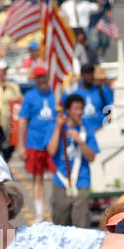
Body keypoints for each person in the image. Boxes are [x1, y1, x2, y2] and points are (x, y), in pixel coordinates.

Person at [47, 92, 97, 228]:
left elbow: (91, 157)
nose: (79, 112)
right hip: (61, 180)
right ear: (68, 110)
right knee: (60, 223)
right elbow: (51, 151)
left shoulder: (87, 128)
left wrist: (80, 141)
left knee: (81, 224)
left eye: (81, 108)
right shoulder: (55, 126)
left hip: (82, 180)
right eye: (75, 109)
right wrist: (58, 127)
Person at [17, 65, 60, 222]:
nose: (42, 80)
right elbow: (22, 121)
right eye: (39, 77)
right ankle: (39, 212)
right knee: (38, 178)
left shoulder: (56, 94)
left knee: (58, 176)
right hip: (34, 142)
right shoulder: (30, 96)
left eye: (44, 77)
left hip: (54, 142)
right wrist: (21, 145)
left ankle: (57, 209)